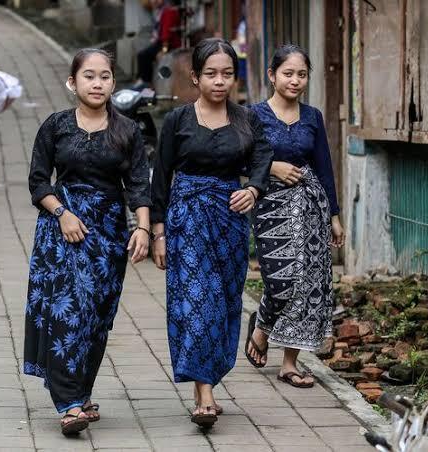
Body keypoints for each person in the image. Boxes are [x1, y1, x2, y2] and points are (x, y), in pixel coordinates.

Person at [24, 48, 151, 436]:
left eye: (105, 77)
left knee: (97, 316)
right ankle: (69, 404)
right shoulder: (56, 126)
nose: (97, 84)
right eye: (89, 76)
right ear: (72, 82)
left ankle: (81, 391)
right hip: (62, 229)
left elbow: (139, 186)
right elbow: (38, 181)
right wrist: (62, 214)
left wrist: (142, 230)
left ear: (114, 82)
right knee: (68, 312)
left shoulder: (127, 131)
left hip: (108, 234)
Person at [150, 38, 273, 428]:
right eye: (211, 74)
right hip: (186, 219)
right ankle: (205, 395)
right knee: (198, 304)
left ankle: (209, 375)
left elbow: (262, 157)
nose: (220, 82)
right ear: (195, 77)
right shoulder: (178, 121)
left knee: (224, 305)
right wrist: (158, 231)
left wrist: (253, 189)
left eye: (227, 74)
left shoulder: (247, 119)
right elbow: (161, 176)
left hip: (230, 223)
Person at [245, 44, 345, 388]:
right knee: (281, 281)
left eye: (302, 74)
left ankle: (290, 362)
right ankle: (261, 326)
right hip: (270, 204)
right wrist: (272, 166)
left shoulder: (313, 116)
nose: (295, 80)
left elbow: (324, 167)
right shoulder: (252, 115)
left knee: (308, 282)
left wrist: (333, 214)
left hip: (310, 205)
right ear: (272, 75)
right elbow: (240, 160)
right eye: (288, 73)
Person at [134, 0, 181, 88]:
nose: (154, 1)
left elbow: (166, 34)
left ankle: (145, 82)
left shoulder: (168, 11)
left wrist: (164, 50)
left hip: (168, 43)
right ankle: (142, 79)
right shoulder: (160, 11)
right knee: (144, 54)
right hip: (161, 41)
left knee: (143, 55)